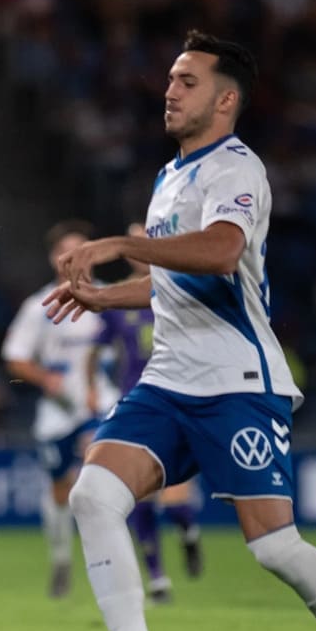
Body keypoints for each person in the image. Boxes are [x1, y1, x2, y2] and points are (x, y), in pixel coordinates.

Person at [43, 30, 316, 631]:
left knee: (273, 547)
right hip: (169, 379)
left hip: (237, 380)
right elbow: (173, 279)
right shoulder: (170, 176)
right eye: (170, 79)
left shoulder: (237, 169)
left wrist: (121, 243)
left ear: (225, 98)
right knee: (92, 495)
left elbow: (222, 251)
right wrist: (107, 295)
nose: (170, 90)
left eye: (187, 80)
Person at [86, 223, 203, 605]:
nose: (138, 252)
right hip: (137, 401)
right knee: (140, 497)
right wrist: (91, 387)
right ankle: (157, 578)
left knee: (176, 499)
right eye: (132, 245)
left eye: (145, 243)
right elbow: (96, 349)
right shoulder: (120, 302)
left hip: (179, 399)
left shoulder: (181, 290)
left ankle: (187, 532)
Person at [2, 220, 119, 598]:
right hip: (57, 410)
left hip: (101, 401)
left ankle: (109, 562)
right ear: (55, 258)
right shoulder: (38, 306)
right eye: (68, 251)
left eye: (84, 250)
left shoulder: (113, 297)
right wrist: (43, 378)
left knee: (100, 477)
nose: (75, 259)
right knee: (59, 488)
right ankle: (61, 559)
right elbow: (15, 358)